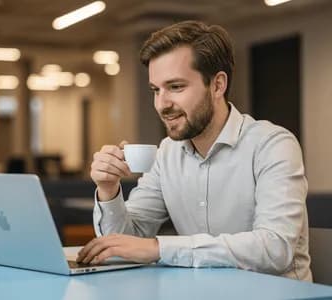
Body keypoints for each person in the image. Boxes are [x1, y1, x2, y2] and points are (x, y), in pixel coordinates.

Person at [76, 20, 312, 281]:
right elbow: (125, 243)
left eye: (176, 87)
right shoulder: (167, 153)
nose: (162, 104)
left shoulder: (273, 144)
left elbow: (275, 249)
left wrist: (159, 248)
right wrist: (109, 191)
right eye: (156, 90)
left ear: (218, 85)